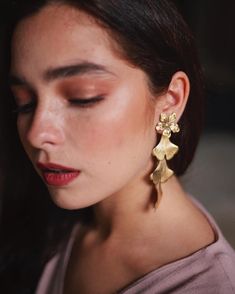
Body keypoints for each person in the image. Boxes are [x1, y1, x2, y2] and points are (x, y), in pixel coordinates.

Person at [0, 0, 235, 293]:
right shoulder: (42, 216)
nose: (36, 134)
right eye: (25, 102)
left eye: (82, 97)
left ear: (171, 100)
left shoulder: (209, 286)